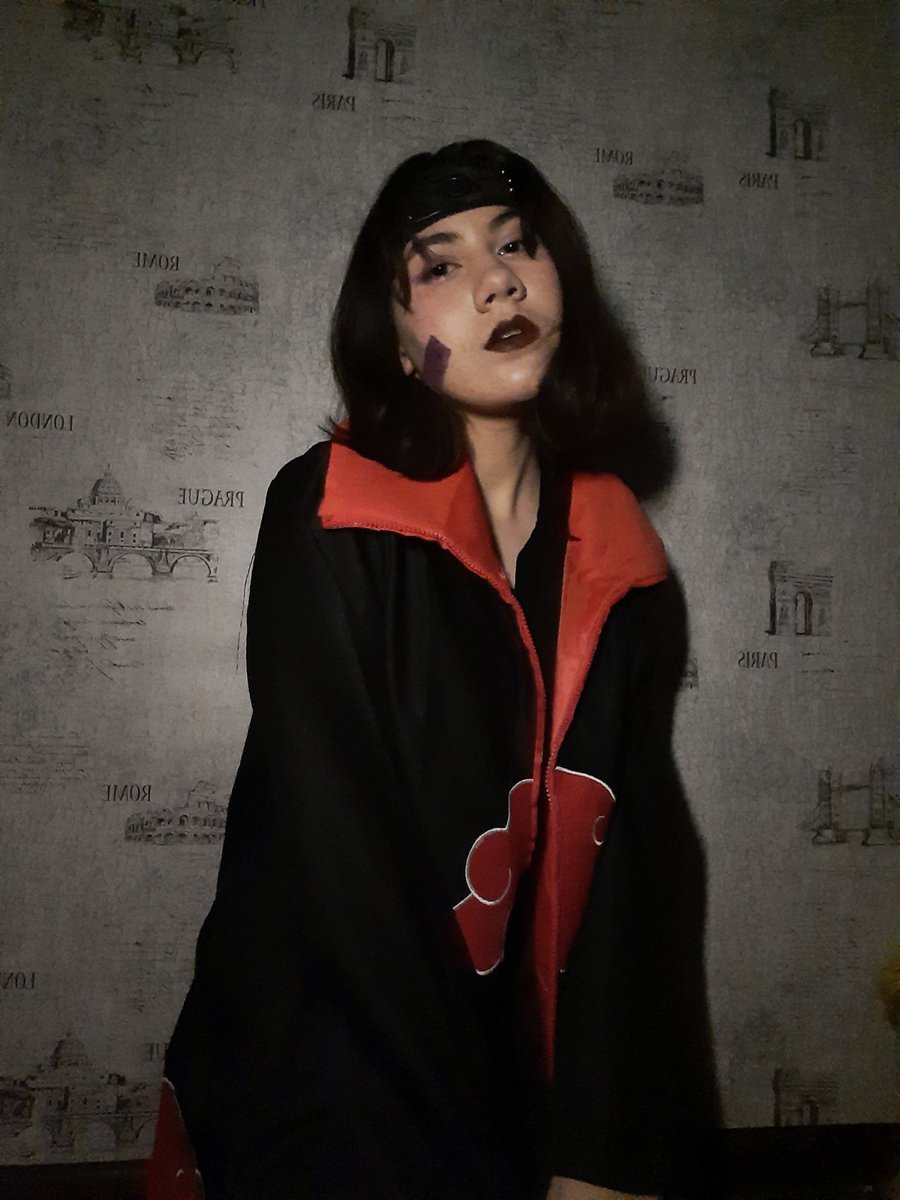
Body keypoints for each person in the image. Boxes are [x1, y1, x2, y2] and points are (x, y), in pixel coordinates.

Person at [148, 139, 717, 1200]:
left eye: (518, 246)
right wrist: (485, 1158)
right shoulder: (327, 512)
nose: (499, 281)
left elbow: (631, 864)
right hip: (319, 1087)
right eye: (442, 263)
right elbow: (342, 870)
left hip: (516, 1084)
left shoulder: (619, 555)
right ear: (400, 344)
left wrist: (599, 1152)